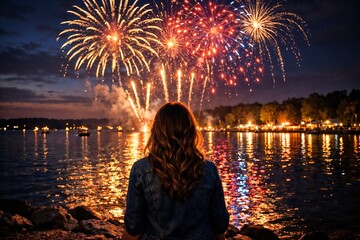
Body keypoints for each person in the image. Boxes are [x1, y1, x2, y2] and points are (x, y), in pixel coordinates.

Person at [122, 102, 229, 240]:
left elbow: (133, 228)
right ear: (190, 131)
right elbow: (219, 226)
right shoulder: (209, 170)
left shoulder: (140, 169)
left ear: (156, 132)